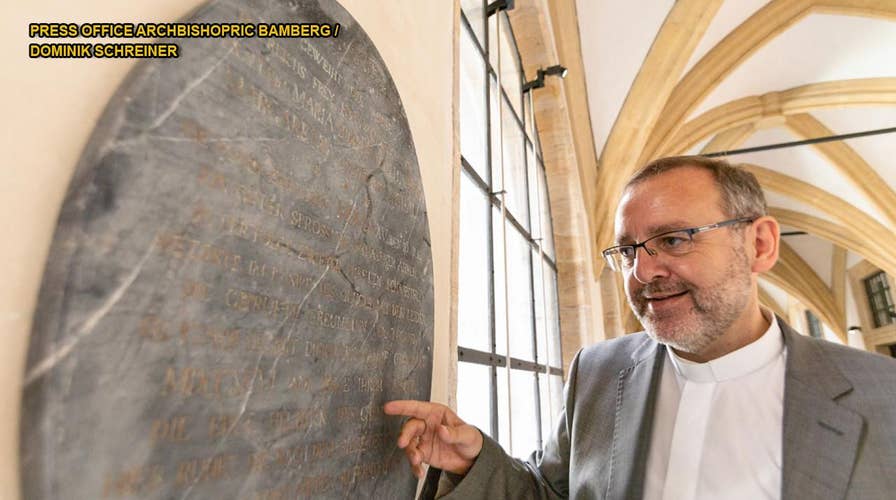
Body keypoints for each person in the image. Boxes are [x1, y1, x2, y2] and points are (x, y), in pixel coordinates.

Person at [385, 156, 896, 499]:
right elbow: (551, 493)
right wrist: (474, 461)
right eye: (627, 250)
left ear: (760, 244)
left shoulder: (883, 399)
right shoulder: (599, 372)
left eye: (674, 239)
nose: (643, 272)